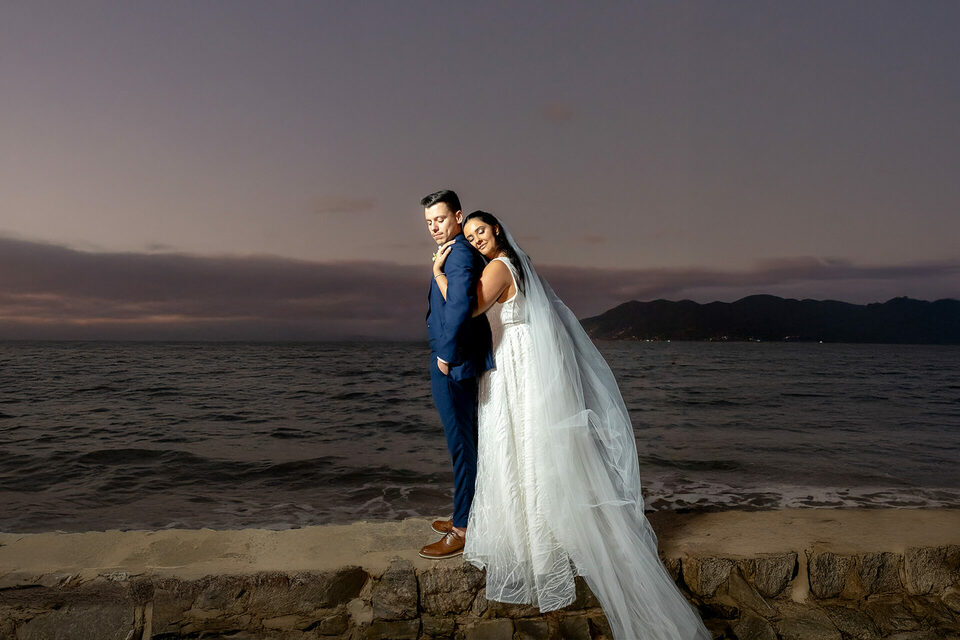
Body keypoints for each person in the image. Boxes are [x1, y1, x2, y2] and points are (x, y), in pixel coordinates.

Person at [432, 211, 712, 640]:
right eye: (470, 236)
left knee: (520, 446)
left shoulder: (500, 266)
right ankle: (531, 528)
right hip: (518, 363)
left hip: (513, 368)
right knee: (526, 446)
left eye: (481, 232)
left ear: (497, 231)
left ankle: (535, 541)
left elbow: (467, 308)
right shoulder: (517, 264)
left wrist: (439, 274)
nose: (476, 240)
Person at [419, 190, 494, 560]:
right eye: (430, 222)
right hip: (454, 359)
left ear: (458, 216)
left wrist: (446, 356)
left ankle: (463, 528)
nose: (435, 227)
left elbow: (462, 304)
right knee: (463, 445)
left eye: (441, 220)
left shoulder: (460, 252)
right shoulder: (454, 250)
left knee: (462, 447)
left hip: (454, 363)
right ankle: (464, 515)